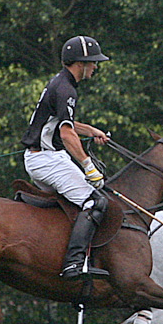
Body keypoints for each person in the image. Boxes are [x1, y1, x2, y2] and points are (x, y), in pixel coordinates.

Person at [22, 35, 112, 280]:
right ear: (80, 63)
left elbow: (65, 122)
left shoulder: (60, 83)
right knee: (95, 202)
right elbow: (66, 133)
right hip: (47, 160)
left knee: (79, 199)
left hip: (46, 157)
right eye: (93, 62)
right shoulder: (66, 89)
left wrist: (90, 130)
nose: (95, 67)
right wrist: (88, 165)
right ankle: (74, 263)